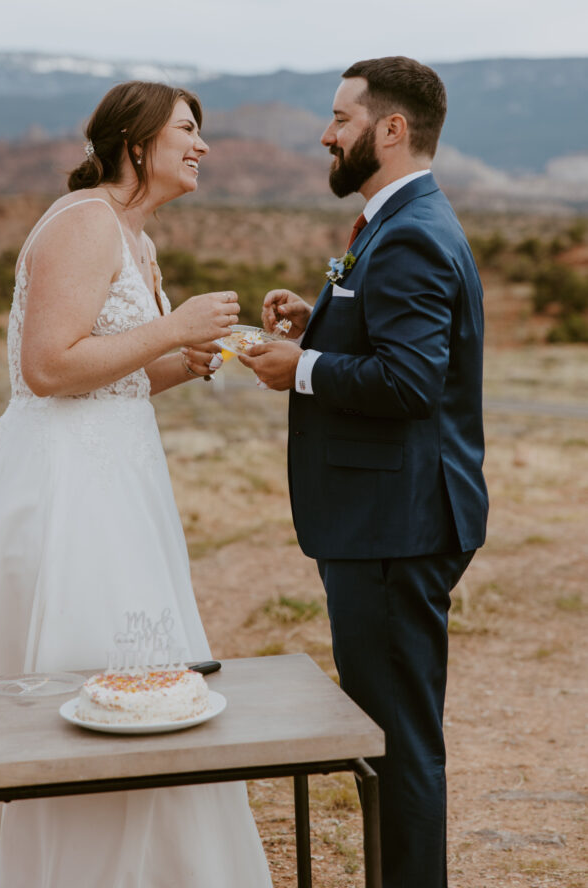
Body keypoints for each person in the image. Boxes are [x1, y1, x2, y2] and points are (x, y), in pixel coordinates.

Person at [0, 81, 272, 887]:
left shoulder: (135, 237)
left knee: (145, 676)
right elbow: (46, 368)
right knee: (83, 678)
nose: (203, 145)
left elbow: (110, 374)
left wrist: (182, 362)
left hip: (121, 480)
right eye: (189, 129)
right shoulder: (81, 223)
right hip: (67, 491)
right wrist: (172, 325)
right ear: (137, 141)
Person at [239, 57, 488, 888]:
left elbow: (411, 384)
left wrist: (297, 370)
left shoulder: (412, 228)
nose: (324, 132)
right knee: (388, 734)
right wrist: (317, 328)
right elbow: (395, 344)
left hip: (395, 524)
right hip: (387, 518)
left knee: (397, 744)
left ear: (391, 129)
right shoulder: (397, 220)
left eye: (341, 118)